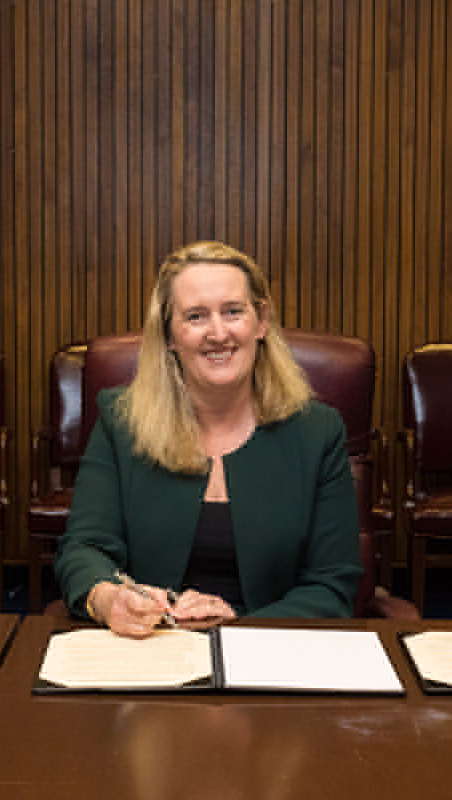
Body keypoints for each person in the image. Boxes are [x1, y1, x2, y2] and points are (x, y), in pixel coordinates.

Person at [54, 241, 363, 637]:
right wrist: (108, 598)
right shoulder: (121, 422)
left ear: (261, 321)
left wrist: (235, 628)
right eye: (196, 316)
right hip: (151, 649)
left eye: (234, 311)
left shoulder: (317, 431)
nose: (218, 333)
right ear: (168, 334)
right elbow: (83, 549)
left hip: (270, 654)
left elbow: (332, 585)